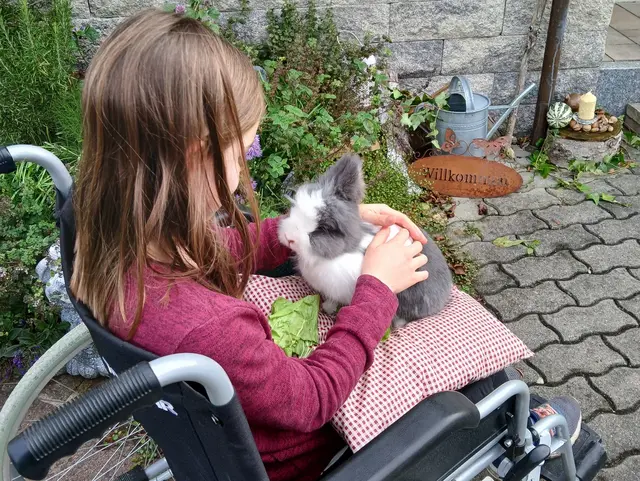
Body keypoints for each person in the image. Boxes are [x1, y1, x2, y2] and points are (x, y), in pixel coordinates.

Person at [69, 9, 581, 481]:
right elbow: (311, 400)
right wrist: (374, 291)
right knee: (480, 373)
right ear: (199, 155)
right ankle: (526, 427)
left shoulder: (108, 249)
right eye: (243, 145)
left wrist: (309, 228)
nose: (246, 158)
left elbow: (214, 248)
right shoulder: (215, 330)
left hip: (217, 440)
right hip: (308, 456)